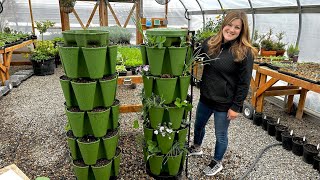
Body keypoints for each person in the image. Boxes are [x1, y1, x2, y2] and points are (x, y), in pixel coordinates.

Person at [188, 10, 257, 176]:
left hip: (224, 102)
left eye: (237, 27)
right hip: (206, 97)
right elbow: (194, 55)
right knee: (198, 125)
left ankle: (217, 162)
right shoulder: (211, 43)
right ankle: (197, 147)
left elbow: (244, 83)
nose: (231, 29)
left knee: (221, 135)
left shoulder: (244, 52)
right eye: (229, 25)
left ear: (242, 30)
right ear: (223, 24)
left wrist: (236, 107)